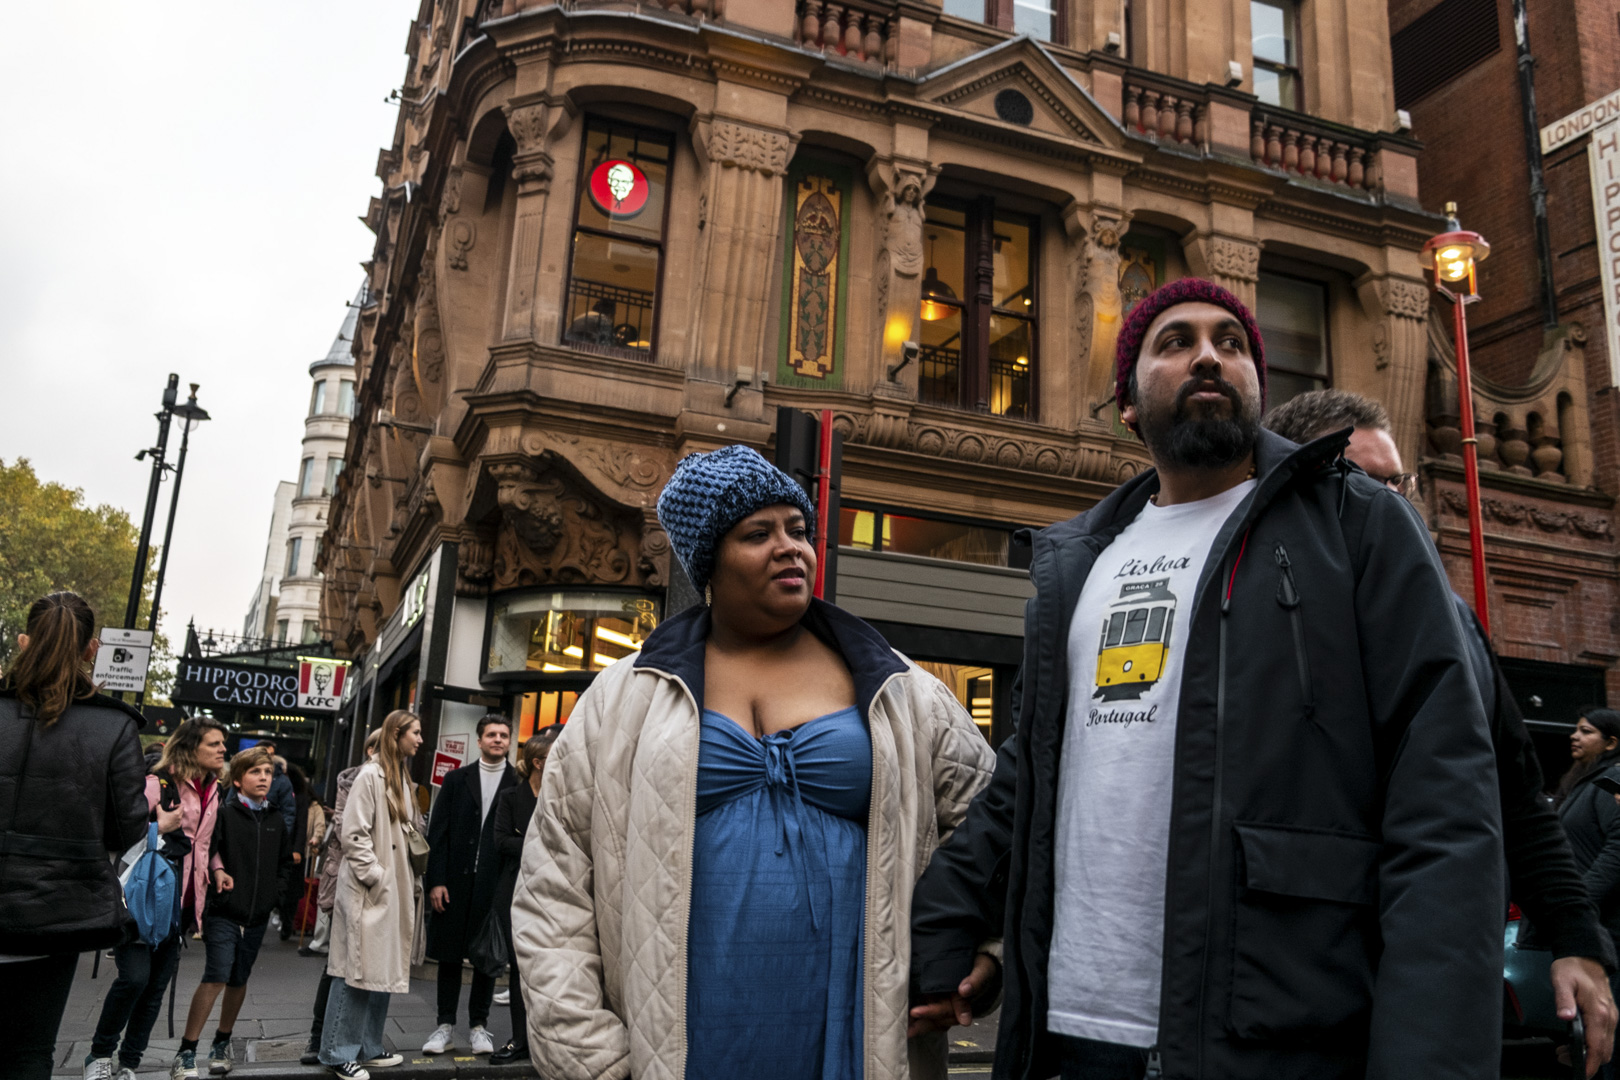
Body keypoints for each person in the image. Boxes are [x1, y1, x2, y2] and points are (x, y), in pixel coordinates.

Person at [908, 278, 1504, 1080]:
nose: (1209, 357)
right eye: (1175, 342)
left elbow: (1445, 806)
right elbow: (1030, 774)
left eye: (1231, 343)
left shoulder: (1357, 526)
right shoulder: (1082, 560)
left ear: (1259, 388)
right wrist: (942, 932)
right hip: (1076, 1037)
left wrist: (1429, 1060)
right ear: (1126, 403)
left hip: (1273, 1039)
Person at [512, 444, 997, 1080]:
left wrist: (987, 955)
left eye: (798, 530)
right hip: (679, 1052)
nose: (790, 548)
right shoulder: (624, 698)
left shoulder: (901, 689)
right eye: (758, 534)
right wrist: (593, 1061)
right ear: (709, 560)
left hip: (860, 1048)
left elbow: (993, 832)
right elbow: (553, 888)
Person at [1265, 387, 1619, 1070]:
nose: (1391, 505)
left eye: (1399, 484)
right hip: (1289, 997)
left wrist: (1576, 938)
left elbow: (1516, 796)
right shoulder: (1254, 616)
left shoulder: (1456, 624)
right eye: (1361, 483)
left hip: (1433, 982)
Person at [0, 593, 150, 1080]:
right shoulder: (113, 726)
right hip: (54, 912)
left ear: (24, 641)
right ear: (91, 649)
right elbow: (127, 827)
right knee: (29, 1052)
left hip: (49, 909)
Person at [90, 716, 229, 1080]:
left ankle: (129, 1063)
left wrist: (216, 868)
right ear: (190, 747)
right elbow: (115, 828)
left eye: (222, 744)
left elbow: (205, 842)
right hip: (143, 899)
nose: (223, 749)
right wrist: (156, 825)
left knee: (154, 989)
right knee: (134, 979)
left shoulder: (213, 789)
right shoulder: (157, 783)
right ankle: (99, 1055)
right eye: (214, 743)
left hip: (181, 904)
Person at [176, 747, 295, 1076]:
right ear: (238, 780)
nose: (264, 778)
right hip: (224, 912)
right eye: (256, 772)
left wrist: (274, 896)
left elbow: (285, 863)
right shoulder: (224, 814)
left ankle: (221, 1041)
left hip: (257, 916)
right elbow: (207, 853)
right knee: (217, 974)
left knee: (239, 978)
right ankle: (187, 1050)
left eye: (268, 772)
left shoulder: (275, 819)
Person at [321, 710, 426, 1080]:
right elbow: (353, 833)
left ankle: (367, 1047)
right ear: (397, 734)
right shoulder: (370, 775)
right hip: (372, 890)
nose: (420, 740)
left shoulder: (399, 776)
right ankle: (337, 1053)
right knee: (355, 970)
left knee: (380, 970)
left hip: (391, 888)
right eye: (415, 732)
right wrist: (376, 877)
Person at [422, 714, 515, 1055]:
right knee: (449, 956)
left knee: (487, 957)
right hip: (454, 883)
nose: (497, 739)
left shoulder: (517, 783)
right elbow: (438, 834)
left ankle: (479, 1027)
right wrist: (436, 881)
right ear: (479, 741)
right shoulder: (456, 779)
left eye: (503, 735)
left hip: (495, 886)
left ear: (509, 741)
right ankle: (444, 1026)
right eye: (491, 734)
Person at [301, 729, 383, 1066]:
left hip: (379, 888)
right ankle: (319, 1038)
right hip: (350, 882)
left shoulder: (401, 782)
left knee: (370, 966)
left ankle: (361, 1042)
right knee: (338, 965)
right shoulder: (354, 781)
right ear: (371, 749)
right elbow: (347, 834)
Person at [487, 726, 562, 1065]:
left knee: (550, 968)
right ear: (538, 762)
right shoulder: (510, 797)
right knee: (519, 968)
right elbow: (501, 841)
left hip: (554, 890)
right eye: (554, 756)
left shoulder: (560, 796)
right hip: (515, 888)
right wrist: (541, 844)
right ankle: (520, 1040)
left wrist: (529, 841)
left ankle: (547, 1040)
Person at [1557, 709, 1620, 1078]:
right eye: (1575, 729)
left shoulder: (1613, 781)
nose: (1574, 736)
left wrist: (1577, 902)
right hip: (1594, 930)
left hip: (1611, 933)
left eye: (1586, 731)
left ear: (1611, 743)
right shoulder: (1585, 783)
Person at [278, 763, 312, 940]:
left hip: (292, 849)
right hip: (278, 847)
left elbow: (301, 826)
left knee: (291, 890)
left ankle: (287, 921)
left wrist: (298, 849)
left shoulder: (300, 798)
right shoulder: (277, 794)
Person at [255, 740, 298, 838]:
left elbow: (288, 812)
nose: (269, 758)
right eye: (265, 754)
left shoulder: (282, 781)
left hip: (270, 834)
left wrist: (280, 837)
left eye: (272, 754)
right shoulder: (245, 776)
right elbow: (231, 803)